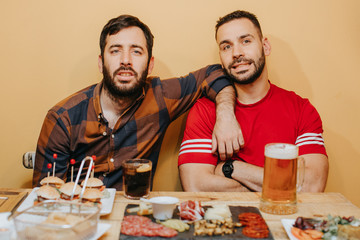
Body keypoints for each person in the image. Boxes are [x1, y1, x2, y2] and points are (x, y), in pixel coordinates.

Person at [32, 14, 243, 190]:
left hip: (134, 220)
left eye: (136, 51)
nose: (125, 60)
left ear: (150, 64)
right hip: (79, 221)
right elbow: (44, 198)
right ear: (100, 62)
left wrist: (226, 115)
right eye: (115, 50)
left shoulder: (160, 97)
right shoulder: (63, 119)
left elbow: (213, 73)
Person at [178, 10, 329, 192]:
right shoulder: (204, 110)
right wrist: (281, 185)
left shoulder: (301, 109)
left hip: (286, 220)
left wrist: (232, 168)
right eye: (226, 46)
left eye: (246, 41)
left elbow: (311, 186)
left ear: (265, 46)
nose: (236, 53)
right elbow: (197, 187)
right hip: (228, 220)